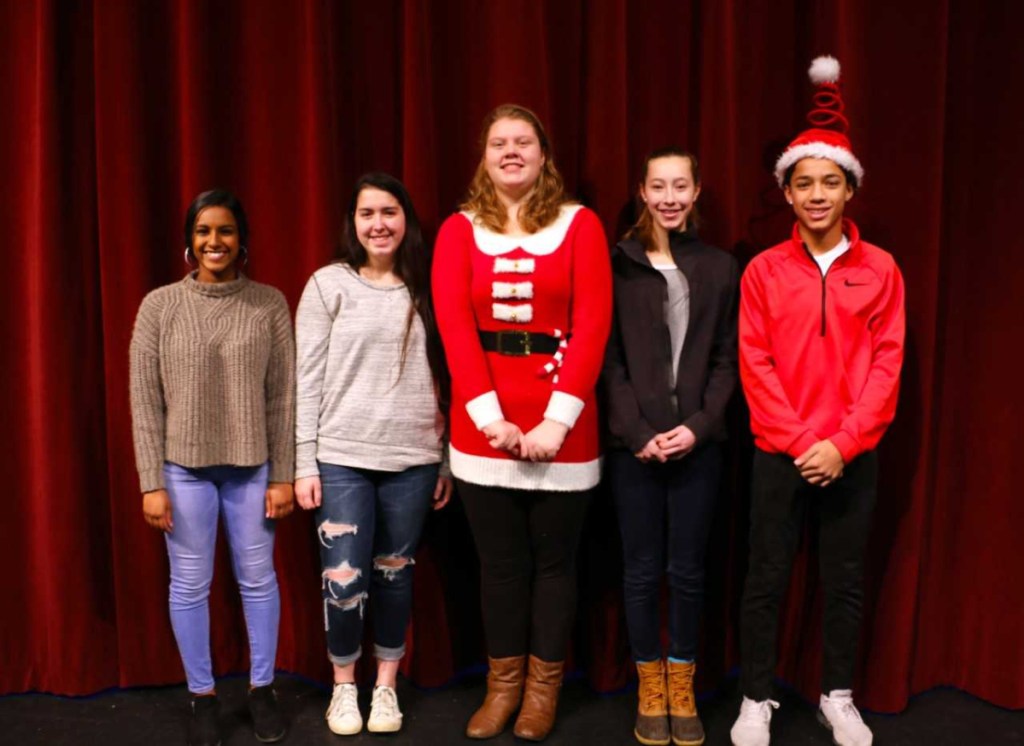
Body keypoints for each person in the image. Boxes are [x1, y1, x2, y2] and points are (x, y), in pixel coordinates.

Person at [730, 57, 905, 746]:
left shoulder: (882, 268)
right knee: (765, 578)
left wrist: (844, 442)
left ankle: (838, 695)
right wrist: (803, 441)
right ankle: (755, 698)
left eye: (830, 182)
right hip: (782, 452)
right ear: (788, 193)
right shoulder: (764, 270)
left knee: (845, 580)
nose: (817, 194)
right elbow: (756, 362)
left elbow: (888, 364)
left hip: (852, 452)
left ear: (849, 190)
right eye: (804, 183)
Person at [432, 104, 612, 742]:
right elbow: (454, 330)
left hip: (564, 427)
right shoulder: (458, 230)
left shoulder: (580, 225)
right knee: (500, 565)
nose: (511, 152)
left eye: (523, 141)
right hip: (484, 428)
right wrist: (492, 424)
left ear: (544, 153)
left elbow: (592, 328)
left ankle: (542, 693)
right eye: (498, 143)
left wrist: (555, 425)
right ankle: (502, 687)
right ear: (484, 156)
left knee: (556, 564)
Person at [129, 189, 295, 746]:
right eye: (203, 231)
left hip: (253, 470)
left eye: (224, 231)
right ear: (189, 241)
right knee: (189, 586)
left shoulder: (270, 303)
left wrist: (283, 474)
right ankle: (202, 696)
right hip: (183, 470)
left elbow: (283, 398)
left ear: (241, 240)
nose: (214, 242)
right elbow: (145, 401)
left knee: (258, 581)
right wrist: (152, 482)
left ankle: (262, 689)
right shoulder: (158, 306)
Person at [293, 172, 452, 737]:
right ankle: (344, 688)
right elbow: (305, 379)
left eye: (389, 211)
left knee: (395, 575)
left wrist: (447, 459)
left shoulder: (430, 287)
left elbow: (449, 378)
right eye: (367, 214)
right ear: (353, 223)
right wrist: (304, 462)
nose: (379, 224)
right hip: (341, 458)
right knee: (344, 580)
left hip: (414, 459)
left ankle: (385, 686)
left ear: (405, 218)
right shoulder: (327, 284)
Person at [603, 147, 738, 746]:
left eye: (680, 185)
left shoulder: (719, 267)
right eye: (658, 186)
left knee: (686, 572)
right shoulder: (618, 265)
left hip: (699, 448)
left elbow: (726, 360)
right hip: (635, 449)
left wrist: (701, 426)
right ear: (641, 190)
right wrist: (638, 433)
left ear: (697, 191)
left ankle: (682, 684)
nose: (669, 198)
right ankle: (648, 687)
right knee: (638, 572)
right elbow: (609, 363)